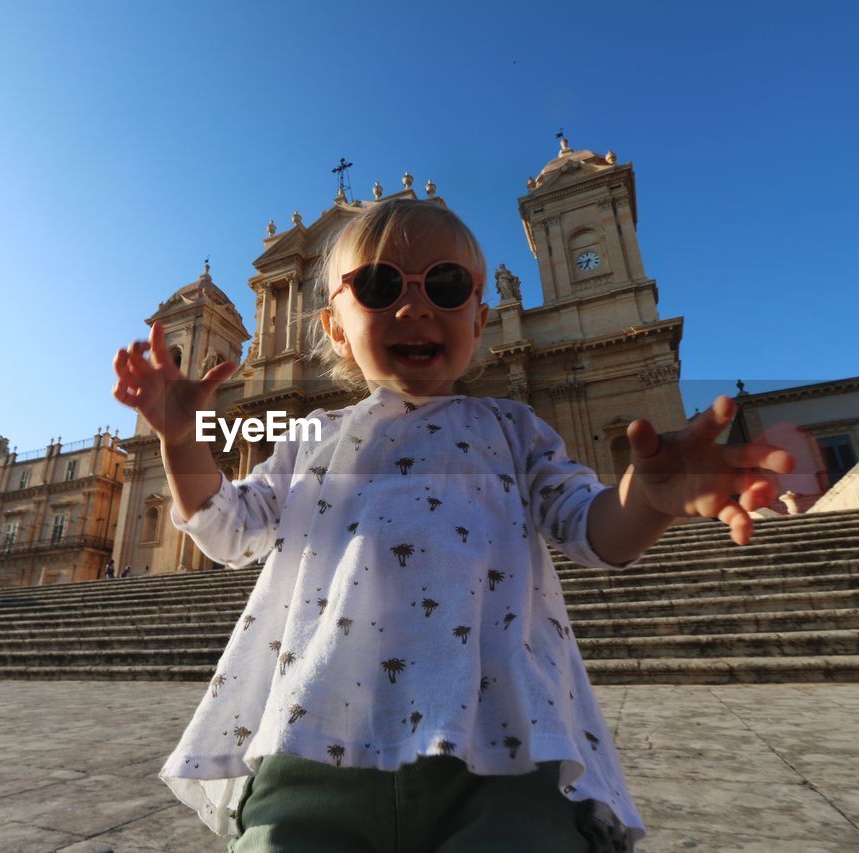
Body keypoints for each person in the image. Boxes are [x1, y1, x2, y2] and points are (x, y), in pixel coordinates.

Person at [112, 199, 792, 852]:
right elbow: (226, 527)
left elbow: (594, 530)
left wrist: (647, 495)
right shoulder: (305, 438)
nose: (414, 305)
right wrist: (181, 439)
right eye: (379, 286)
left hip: (500, 746)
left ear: (480, 315)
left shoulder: (514, 429)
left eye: (444, 283)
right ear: (335, 327)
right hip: (314, 736)